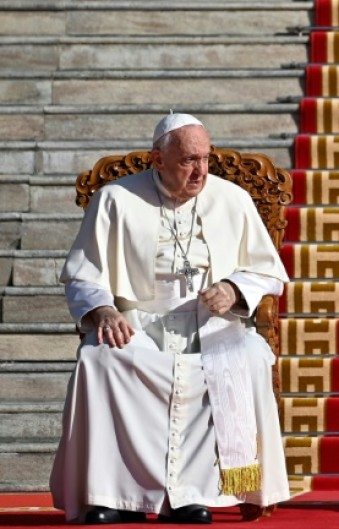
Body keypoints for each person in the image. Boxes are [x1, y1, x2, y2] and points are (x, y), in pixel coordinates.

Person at [50, 113, 291, 524]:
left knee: (248, 357)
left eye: (205, 159)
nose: (201, 171)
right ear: (158, 159)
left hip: (213, 323)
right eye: (188, 161)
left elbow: (269, 272)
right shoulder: (115, 198)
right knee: (100, 359)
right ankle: (114, 496)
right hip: (138, 320)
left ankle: (191, 496)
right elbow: (83, 275)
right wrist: (103, 309)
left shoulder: (233, 199)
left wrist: (234, 288)